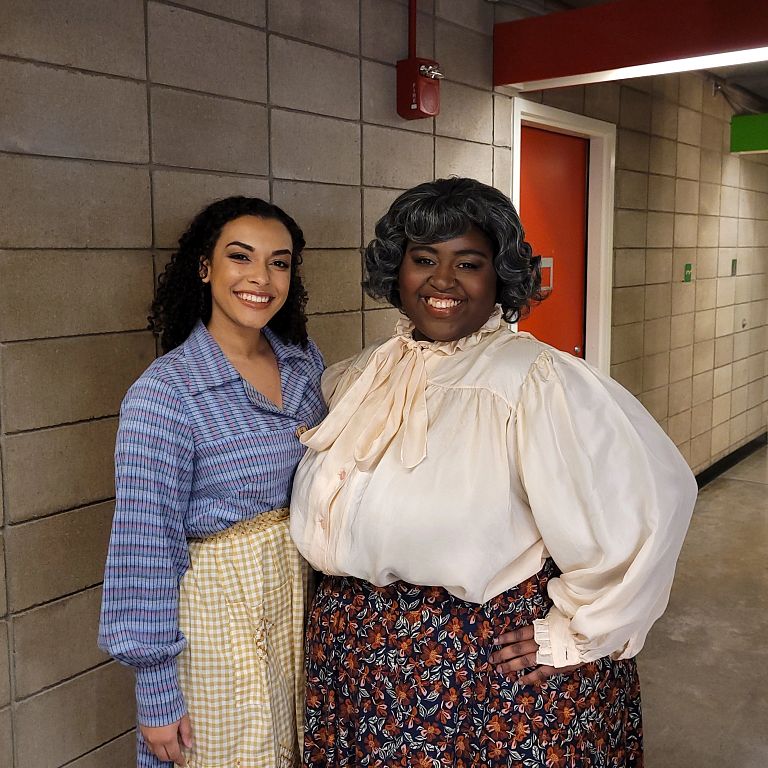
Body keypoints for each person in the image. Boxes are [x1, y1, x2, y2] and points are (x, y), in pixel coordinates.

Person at [290, 177, 697, 767]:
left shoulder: (535, 381)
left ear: (500, 275)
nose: (442, 281)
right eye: (423, 259)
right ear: (396, 270)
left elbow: (655, 503)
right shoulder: (360, 377)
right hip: (358, 661)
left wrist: (577, 631)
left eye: (469, 263)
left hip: (479, 670)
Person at [99, 196, 326, 768]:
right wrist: (155, 693)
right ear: (205, 267)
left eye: (279, 262)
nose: (261, 278)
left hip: (299, 610)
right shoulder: (165, 394)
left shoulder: (303, 364)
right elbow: (144, 546)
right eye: (240, 257)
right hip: (215, 627)